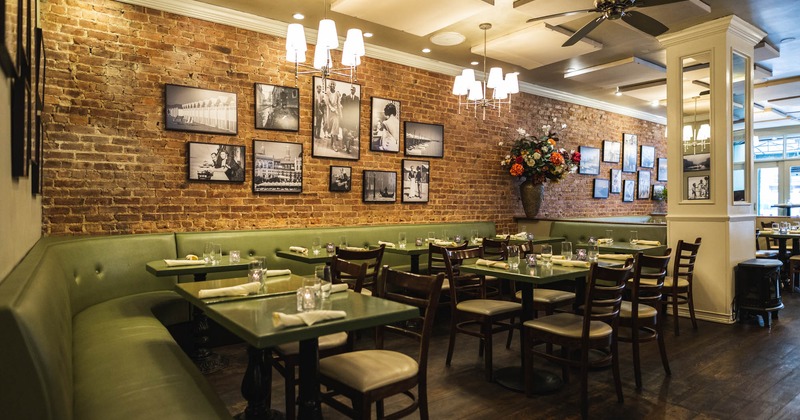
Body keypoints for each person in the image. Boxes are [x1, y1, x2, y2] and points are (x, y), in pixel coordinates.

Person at [340, 85, 359, 154]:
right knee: (346, 133)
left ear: (355, 91)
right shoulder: (346, 98)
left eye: (353, 90)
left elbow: (357, 110)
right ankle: (347, 147)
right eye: (351, 90)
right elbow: (344, 109)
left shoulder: (357, 99)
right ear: (350, 90)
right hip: (347, 119)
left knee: (351, 134)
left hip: (353, 119)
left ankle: (348, 147)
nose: (352, 91)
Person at [325, 81, 342, 152]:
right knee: (331, 128)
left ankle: (334, 145)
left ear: (335, 85)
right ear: (330, 85)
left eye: (333, 84)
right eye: (331, 84)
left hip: (336, 113)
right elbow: (327, 103)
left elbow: (338, 104)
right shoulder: (327, 93)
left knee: (335, 128)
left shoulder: (337, 94)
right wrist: (332, 109)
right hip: (330, 113)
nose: (332, 85)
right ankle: (332, 143)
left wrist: (340, 113)